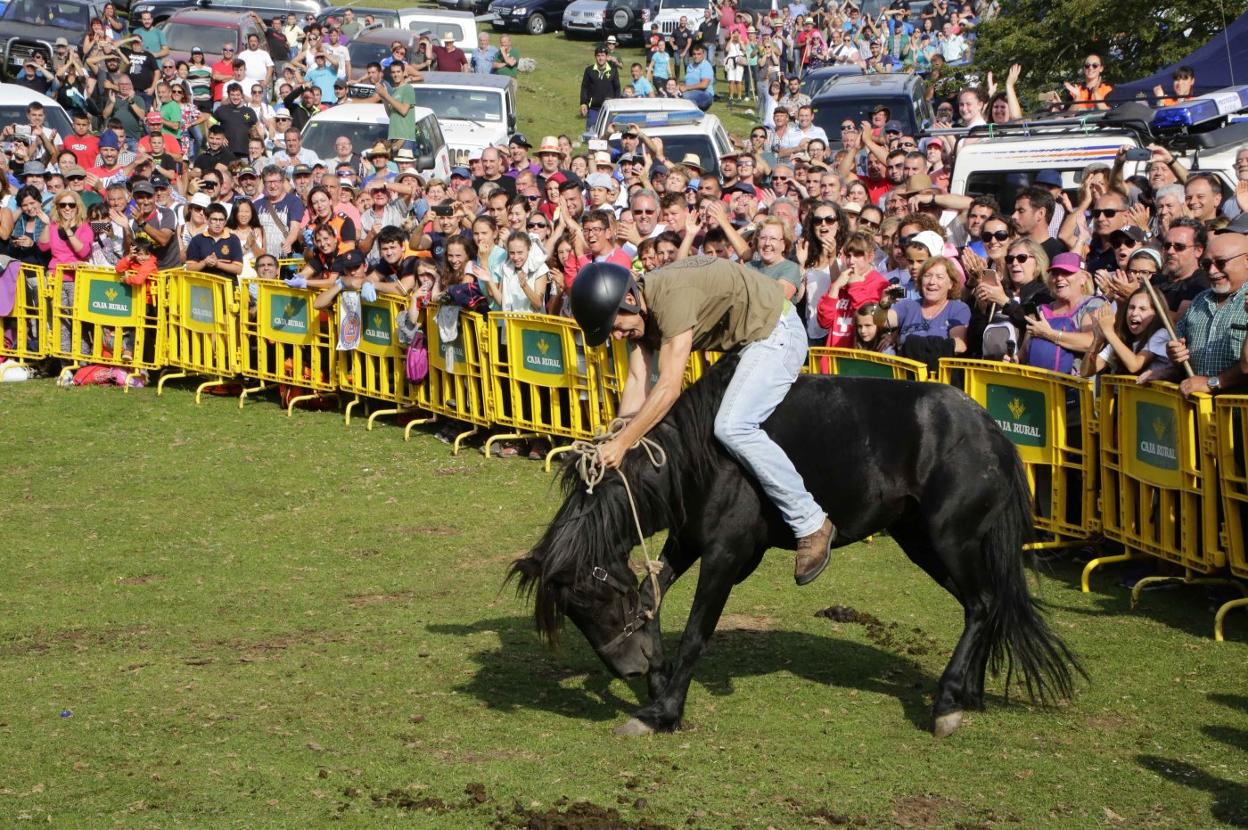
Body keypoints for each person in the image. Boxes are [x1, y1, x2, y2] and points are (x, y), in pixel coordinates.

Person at [569, 258, 838, 585]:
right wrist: (618, 438)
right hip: (746, 344)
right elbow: (638, 381)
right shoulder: (640, 311)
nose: (616, 335)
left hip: (776, 331)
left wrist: (623, 443)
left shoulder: (670, 300)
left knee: (732, 427)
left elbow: (668, 387)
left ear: (629, 299)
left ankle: (811, 522)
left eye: (614, 325)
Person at [1160, 229, 1248, 396]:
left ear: (1246, 261)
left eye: (1220, 263)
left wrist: (1214, 382)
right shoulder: (1199, 300)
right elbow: (1177, 347)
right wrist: (1174, 353)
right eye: (1206, 265)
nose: (1212, 271)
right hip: (1196, 408)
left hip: (1236, 409)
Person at [1019, 252, 1104, 374]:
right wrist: (1015, 359)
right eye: (1055, 273)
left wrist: (1049, 334)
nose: (1059, 278)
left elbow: (1091, 342)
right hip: (1036, 382)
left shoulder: (1093, 305)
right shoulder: (1040, 310)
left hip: (1073, 383)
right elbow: (1024, 352)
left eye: (1066, 272)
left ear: (1083, 279)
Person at [579, 46, 620, 130]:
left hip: (609, 109)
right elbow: (584, 88)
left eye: (602, 55)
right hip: (593, 108)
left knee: (609, 131)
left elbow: (617, 88)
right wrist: (583, 103)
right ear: (595, 56)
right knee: (591, 131)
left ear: (607, 57)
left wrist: (616, 104)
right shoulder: (589, 70)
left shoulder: (613, 70)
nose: (600, 58)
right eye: (598, 56)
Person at [681, 44, 715, 111]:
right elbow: (688, 83)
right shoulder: (689, 66)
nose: (696, 56)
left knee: (682, 95)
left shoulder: (706, 65)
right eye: (694, 54)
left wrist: (686, 88)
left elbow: (704, 85)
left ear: (703, 55)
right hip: (691, 93)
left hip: (705, 95)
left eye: (699, 54)